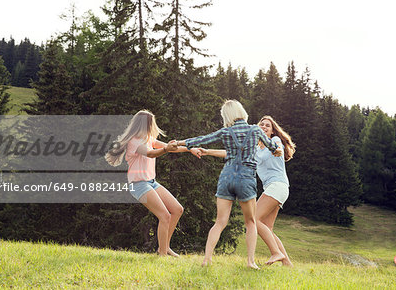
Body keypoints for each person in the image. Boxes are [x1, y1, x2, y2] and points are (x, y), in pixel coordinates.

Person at [171, 100, 281, 268]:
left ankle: (207, 259)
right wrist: (276, 149)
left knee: (220, 222)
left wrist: (179, 142)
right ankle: (250, 262)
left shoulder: (226, 131)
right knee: (251, 222)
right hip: (246, 178)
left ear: (227, 115)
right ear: (242, 111)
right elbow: (272, 146)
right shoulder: (255, 129)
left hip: (227, 176)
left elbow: (202, 139)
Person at [198, 115, 295, 266]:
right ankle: (287, 263)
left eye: (267, 125)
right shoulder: (255, 149)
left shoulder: (275, 141)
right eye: (261, 124)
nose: (263, 127)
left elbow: (278, 149)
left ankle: (276, 253)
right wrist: (207, 151)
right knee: (267, 227)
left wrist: (278, 151)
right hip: (276, 188)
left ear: (272, 131)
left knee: (254, 219)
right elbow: (231, 154)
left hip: (278, 185)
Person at [105, 110, 199, 257]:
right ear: (146, 124)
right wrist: (166, 148)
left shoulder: (149, 138)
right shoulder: (134, 142)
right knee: (164, 216)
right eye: (151, 123)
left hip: (151, 182)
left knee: (177, 209)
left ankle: (165, 247)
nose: (153, 126)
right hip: (138, 185)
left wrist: (190, 149)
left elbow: (171, 148)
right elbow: (151, 153)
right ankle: (162, 255)